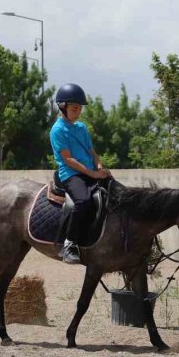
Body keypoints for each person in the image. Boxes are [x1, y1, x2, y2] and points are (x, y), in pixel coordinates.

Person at [49, 83, 110, 264]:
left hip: (90, 171)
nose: (78, 112)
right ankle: (69, 244)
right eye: (75, 109)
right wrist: (92, 174)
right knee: (83, 201)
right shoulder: (57, 130)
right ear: (62, 107)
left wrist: (99, 166)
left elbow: (92, 152)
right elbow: (68, 160)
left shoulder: (81, 128)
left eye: (79, 109)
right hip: (71, 174)